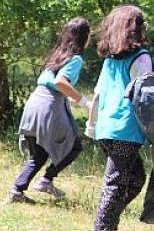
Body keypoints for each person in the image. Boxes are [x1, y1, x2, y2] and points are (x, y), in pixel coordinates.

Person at [84, 5, 154, 231]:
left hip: (105, 129)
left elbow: (98, 93)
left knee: (135, 178)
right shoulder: (142, 59)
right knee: (114, 185)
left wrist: (91, 125)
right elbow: (147, 98)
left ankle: (109, 228)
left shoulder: (111, 60)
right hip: (125, 130)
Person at [8, 17, 92, 204]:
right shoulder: (76, 58)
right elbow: (60, 82)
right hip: (48, 106)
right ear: (84, 37)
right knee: (74, 146)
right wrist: (84, 101)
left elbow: (52, 82)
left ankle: (17, 190)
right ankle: (46, 179)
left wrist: (69, 97)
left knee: (38, 154)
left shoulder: (57, 54)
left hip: (35, 102)